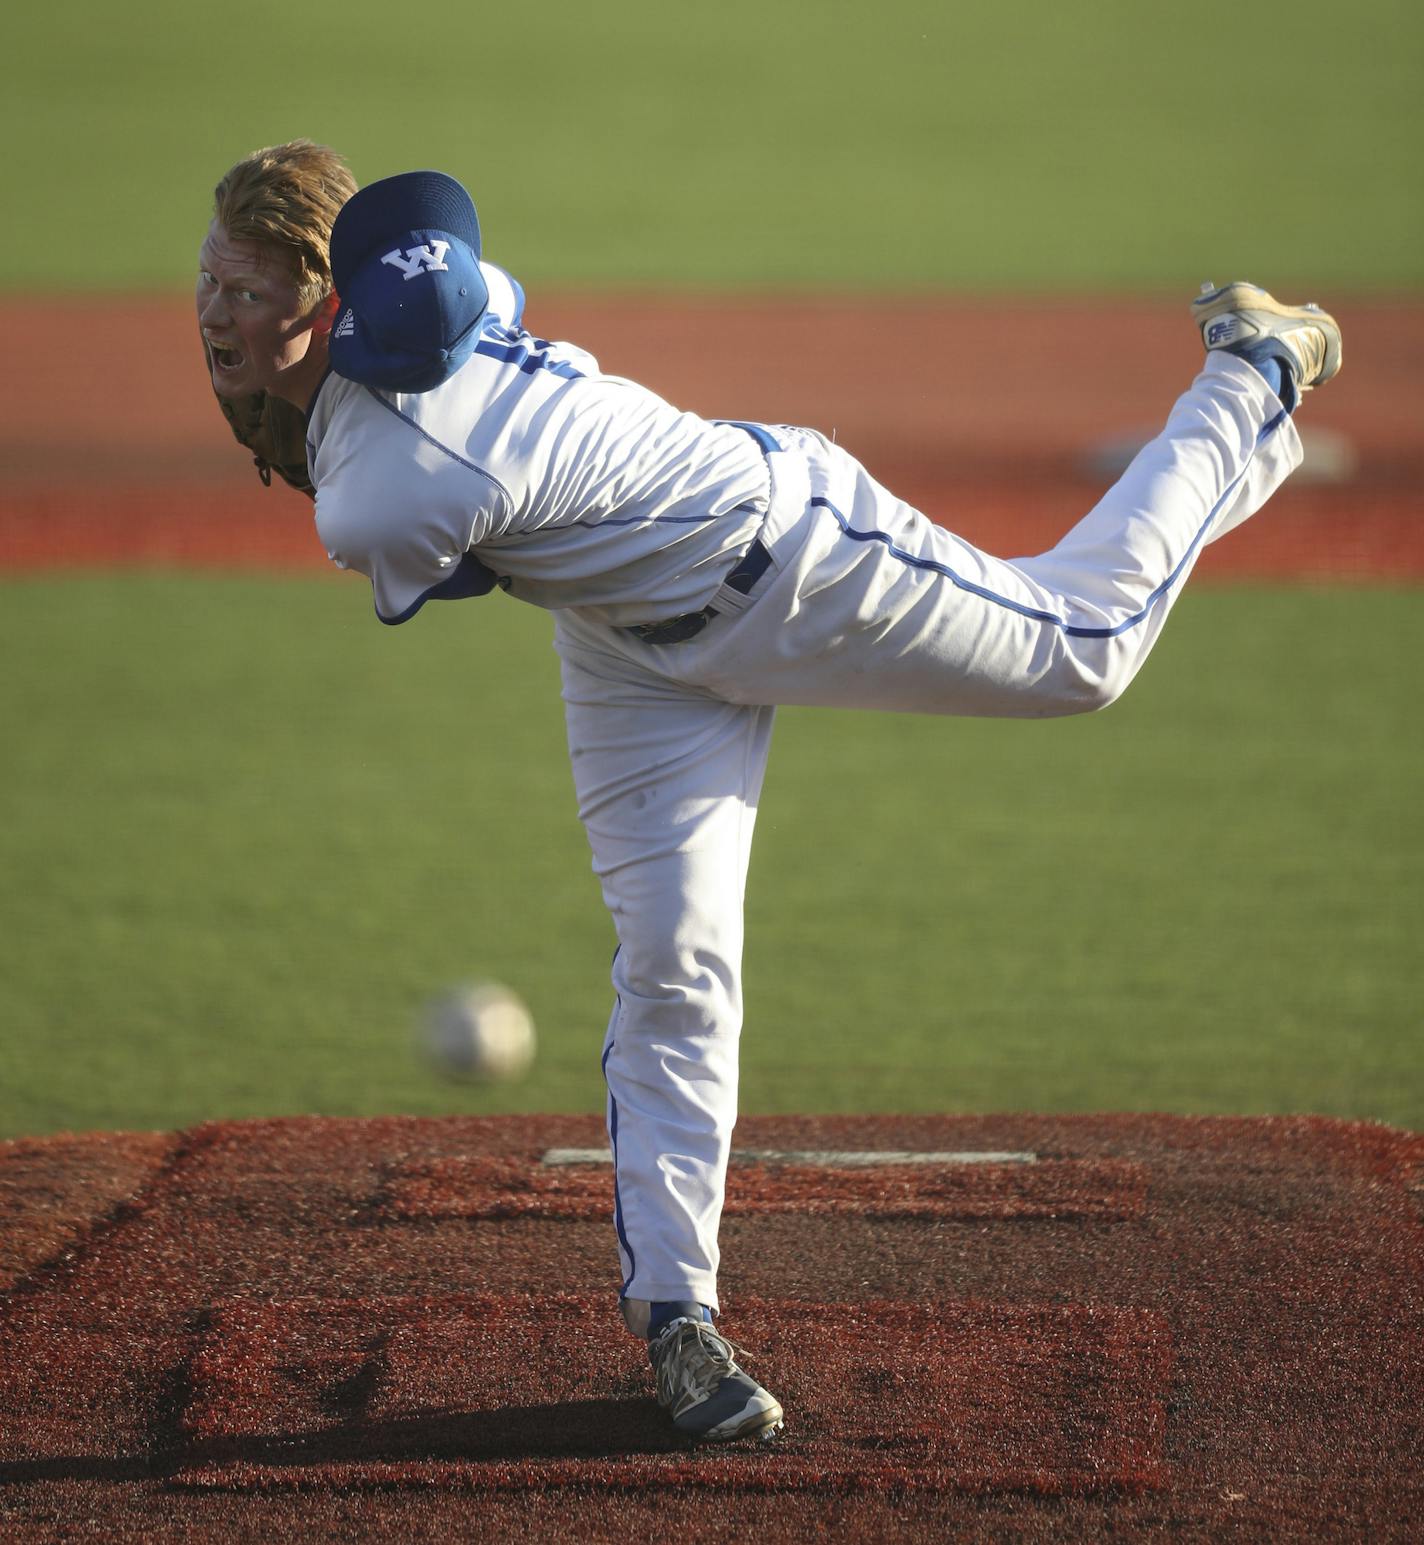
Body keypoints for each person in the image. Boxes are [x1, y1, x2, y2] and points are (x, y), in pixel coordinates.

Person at [198, 140, 1342, 1445]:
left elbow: (423, 512)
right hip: (630, 641)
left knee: (1083, 652)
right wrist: (348, 343)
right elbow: (472, 282)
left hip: (783, 545)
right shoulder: (419, 342)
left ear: (327, 297)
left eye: (244, 289)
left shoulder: (378, 497)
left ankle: (1249, 371)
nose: (210, 311)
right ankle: (678, 1317)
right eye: (207, 279)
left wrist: (341, 369)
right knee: (675, 957)